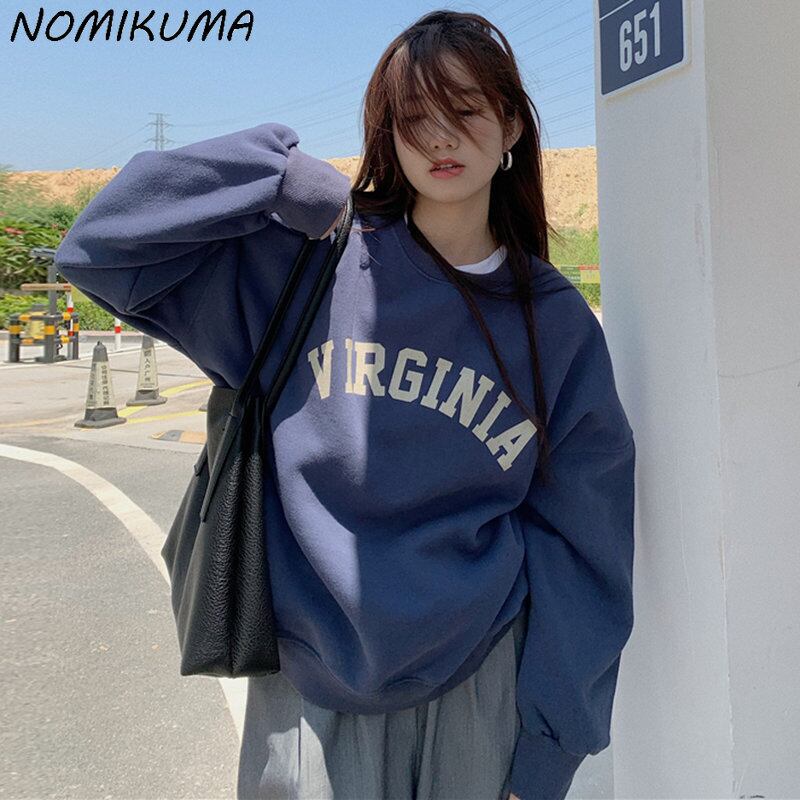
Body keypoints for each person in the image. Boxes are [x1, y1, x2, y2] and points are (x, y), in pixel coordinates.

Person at [54, 10, 636, 800]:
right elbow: (98, 248)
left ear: (510, 129)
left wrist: (548, 750)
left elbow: (585, 544)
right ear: (387, 134)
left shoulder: (554, 324)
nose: (440, 136)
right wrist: (272, 173)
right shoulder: (312, 268)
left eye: (466, 109)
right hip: (309, 685)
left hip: (479, 681)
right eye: (414, 115)